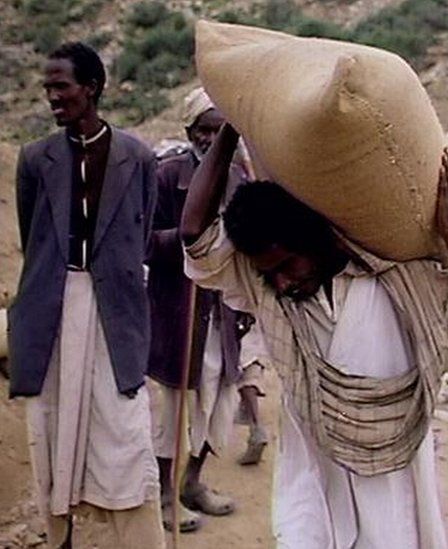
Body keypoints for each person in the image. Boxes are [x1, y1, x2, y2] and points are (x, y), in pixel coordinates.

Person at [180, 122, 448, 547]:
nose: (280, 283)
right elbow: (194, 234)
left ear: (314, 241)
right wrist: (232, 126)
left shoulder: (396, 281)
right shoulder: (268, 292)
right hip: (314, 469)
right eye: (270, 274)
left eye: (287, 266)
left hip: (395, 469)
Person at [9, 42, 163, 548]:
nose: (53, 96)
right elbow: (33, 234)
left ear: (91, 88)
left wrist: (110, 278)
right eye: (48, 87)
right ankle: (62, 537)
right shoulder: (35, 159)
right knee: (51, 426)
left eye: (62, 86)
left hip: (114, 311)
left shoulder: (137, 157)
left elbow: (138, 236)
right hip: (52, 309)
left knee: (123, 424)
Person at [147, 88, 245, 532]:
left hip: (222, 310)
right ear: (190, 132)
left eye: (221, 128)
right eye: (204, 129)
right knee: (174, 409)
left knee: (216, 403)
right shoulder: (167, 175)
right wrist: (191, 243)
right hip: (177, 307)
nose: (211, 138)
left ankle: (193, 482)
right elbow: (145, 242)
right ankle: (165, 497)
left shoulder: (240, 175)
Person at [234, 314, 271, 466]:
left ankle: (257, 430)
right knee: (251, 370)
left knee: (246, 375)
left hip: (245, 321)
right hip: (260, 322)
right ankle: (256, 430)